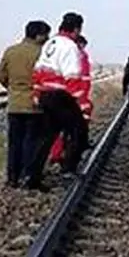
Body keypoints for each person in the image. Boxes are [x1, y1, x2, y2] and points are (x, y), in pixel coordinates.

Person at [22, 11, 88, 190]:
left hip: (45, 95)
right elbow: (73, 78)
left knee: (46, 136)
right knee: (79, 132)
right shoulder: (70, 47)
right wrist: (82, 105)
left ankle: (32, 176)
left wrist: (36, 94)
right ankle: (68, 170)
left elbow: (37, 71)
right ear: (76, 29)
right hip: (61, 96)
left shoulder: (50, 43)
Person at [0, 20, 50, 187]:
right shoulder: (42, 53)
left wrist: (13, 89)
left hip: (15, 104)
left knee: (14, 142)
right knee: (32, 142)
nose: (48, 37)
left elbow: (0, 76)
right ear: (38, 35)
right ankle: (29, 176)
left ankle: (12, 178)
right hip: (35, 105)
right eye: (46, 34)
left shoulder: (11, 51)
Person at [48, 34, 94, 165]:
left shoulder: (58, 53)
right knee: (75, 130)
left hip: (58, 97)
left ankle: (55, 154)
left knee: (57, 128)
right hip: (74, 98)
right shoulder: (80, 56)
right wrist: (83, 101)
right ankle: (69, 162)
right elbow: (83, 80)